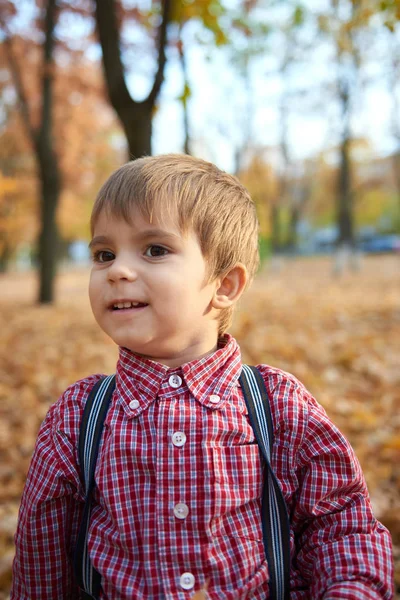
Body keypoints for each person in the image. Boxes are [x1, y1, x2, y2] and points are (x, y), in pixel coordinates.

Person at [11, 155, 393, 599]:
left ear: (224, 285)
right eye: (104, 254)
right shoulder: (78, 419)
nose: (118, 270)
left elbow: (341, 525)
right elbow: (41, 562)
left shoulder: (277, 406)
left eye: (155, 249)